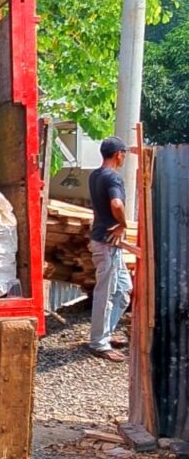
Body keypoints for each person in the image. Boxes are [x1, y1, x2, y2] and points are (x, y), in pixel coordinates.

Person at [88, 136, 133, 362]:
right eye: (124, 154)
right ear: (119, 154)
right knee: (105, 294)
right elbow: (116, 204)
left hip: (105, 242)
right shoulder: (113, 177)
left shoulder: (95, 175)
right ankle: (98, 343)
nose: (124, 157)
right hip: (107, 243)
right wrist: (124, 224)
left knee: (124, 290)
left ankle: (104, 334)